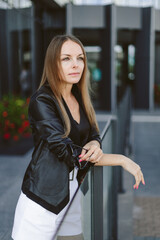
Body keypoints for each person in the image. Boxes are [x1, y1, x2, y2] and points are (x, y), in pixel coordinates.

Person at [11, 35, 145, 240]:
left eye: (80, 58)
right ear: (52, 62)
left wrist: (94, 142)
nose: (76, 65)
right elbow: (67, 152)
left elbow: (92, 133)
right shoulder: (42, 100)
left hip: (71, 195)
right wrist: (121, 159)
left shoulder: (78, 95)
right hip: (42, 202)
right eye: (66, 59)